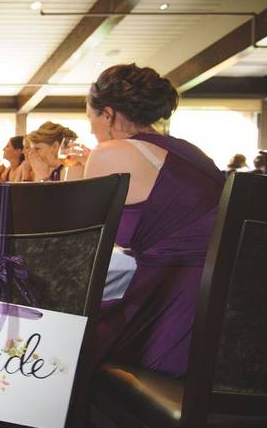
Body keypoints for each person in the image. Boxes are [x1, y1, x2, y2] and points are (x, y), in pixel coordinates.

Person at [72, 63, 224, 376]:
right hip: (225, 303)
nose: (90, 130)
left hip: (175, 302)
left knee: (72, 338)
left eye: (91, 118)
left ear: (109, 114)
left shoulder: (109, 152)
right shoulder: (190, 151)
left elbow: (85, 243)